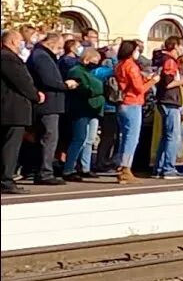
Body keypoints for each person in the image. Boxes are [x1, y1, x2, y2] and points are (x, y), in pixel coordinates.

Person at [27, 32, 76, 185]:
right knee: (49, 138)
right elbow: (49, 80)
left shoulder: (41, 55)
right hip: (48, 104)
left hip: (49, 103)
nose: (61, 50)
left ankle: (41, 170)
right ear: (52, 43)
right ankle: (45, 172)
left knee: (47, 138)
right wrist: (65, 85)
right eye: (60, 46)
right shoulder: (42, 56)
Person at [2, 29, 42, 194]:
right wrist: (35, 95)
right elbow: (21, 81)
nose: (22, 45)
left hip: (10, 109)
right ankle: (6, 180)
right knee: (10, 146)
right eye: (19, 41)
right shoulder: (8, 58)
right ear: (11, 41)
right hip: (12, 109)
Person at [113, 39, 157, 183]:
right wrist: (152, 81)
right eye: (137, 50)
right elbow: (139, 89)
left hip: (122, 102)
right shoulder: (131, 66)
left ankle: (121, 165)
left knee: (124, 136)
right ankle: (125, 169)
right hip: (133, 103)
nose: (138, 52)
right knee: (132, 138)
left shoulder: (119, 65)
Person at [153, 36, 183, 180]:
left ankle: (159, 168)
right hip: (169, 100)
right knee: (173, 136)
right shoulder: (169, 61)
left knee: (166, 136)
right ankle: (168, 169)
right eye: (181, 46)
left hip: (164, 100)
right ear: (175, 46)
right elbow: (169, 83)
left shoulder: (162, 59)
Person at [63, 49, 106, 181]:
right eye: (94, 61)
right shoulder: (76, 71)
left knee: (90, 140)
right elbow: (85, 88)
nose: (96, 64)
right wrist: (96, 90)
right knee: (79, 139)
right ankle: (69, 168)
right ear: (87, 59)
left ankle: (85, 167)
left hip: (93, 109)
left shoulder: (88, 72)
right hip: (81, 108)